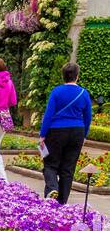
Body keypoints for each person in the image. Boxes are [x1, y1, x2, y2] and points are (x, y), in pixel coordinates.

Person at [40, 62, 92, 204]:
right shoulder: (84, 93)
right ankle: (62, 202)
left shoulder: (56, 92)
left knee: (50, 164)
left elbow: (49, 115)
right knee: (68, 169)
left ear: (63, 76)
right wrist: (84, 135)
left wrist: (43, 134)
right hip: (77, 132)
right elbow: (88, 117)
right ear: (77, 76)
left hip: (56, 131)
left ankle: (52, 188)